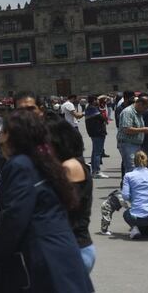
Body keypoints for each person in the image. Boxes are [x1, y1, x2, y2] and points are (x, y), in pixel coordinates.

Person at [0, 109, 93, 293]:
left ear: (13, 136)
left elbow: (14, 218)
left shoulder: (19, 165)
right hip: (64, 253)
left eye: (3, 132)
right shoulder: (42, 161)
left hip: (45, 259)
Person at [46, 113, 96, 273]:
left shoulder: (70, 167)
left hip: (74, 248)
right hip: (71, 247)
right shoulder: (65, 165)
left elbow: (66, 209)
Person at [117, 96, 148, 174]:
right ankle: (129, 182)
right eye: (145, 108)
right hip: (128, 144)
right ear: (140, 104)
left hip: (135, 144)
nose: (145, 110)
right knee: (131, 168)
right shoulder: (128, 112)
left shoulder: (138, 112)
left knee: (137, 167)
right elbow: (127, 129)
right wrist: (144, 130)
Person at [84, 95, 109, 178]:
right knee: (98, 153)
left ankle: (94, 170)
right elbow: (103, 118)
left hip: (94, 132)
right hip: (98, 132)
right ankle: (96, 171)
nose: (98, 101)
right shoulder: (92, 109)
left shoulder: (90, 108)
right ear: (94, 101)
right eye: (97, 100)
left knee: (95, 152)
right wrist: (103, 110)